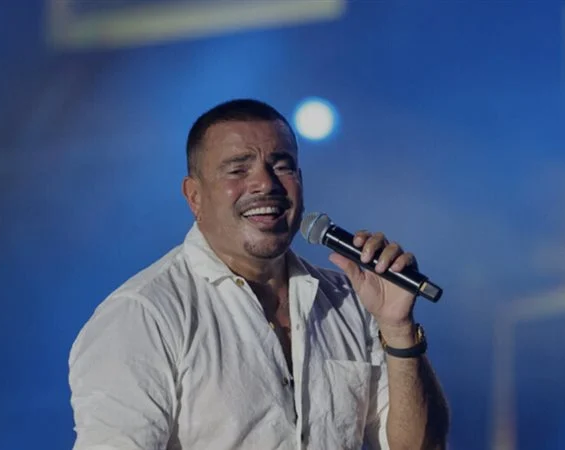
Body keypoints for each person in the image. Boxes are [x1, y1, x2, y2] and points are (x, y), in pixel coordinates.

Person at [68, 99, 449, 449]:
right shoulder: (143, 315)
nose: (266, 184)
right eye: (238, 169)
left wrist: (397, 328)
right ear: (194, 196)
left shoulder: (348, 299)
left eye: (282, 167)